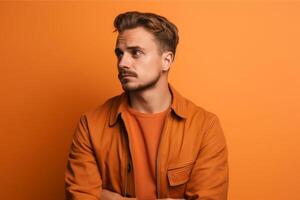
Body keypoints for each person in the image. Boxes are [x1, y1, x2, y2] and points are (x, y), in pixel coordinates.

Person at [65, 11, 229, 200]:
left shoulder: (204, 127)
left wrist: (107, 197)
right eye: (120, 54)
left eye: (136, 53)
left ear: (166, 61)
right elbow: (80, 196)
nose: (122, 63)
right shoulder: (91, 124)